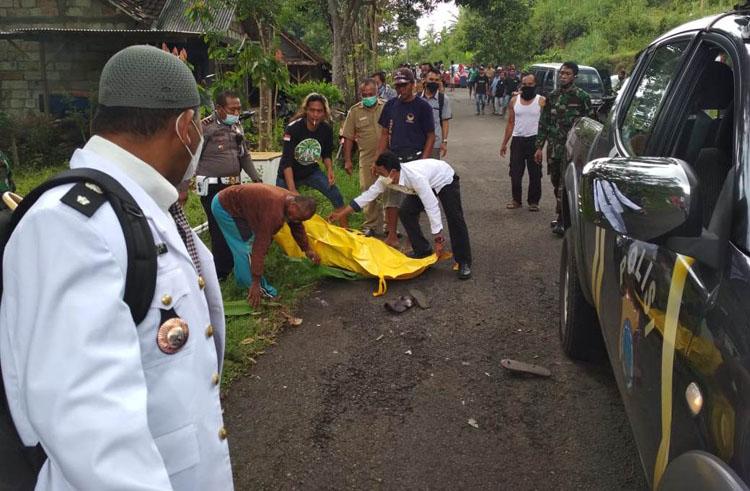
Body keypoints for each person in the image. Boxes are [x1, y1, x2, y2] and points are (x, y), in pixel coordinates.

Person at [0, 45, 233, 489]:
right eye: (198, 126)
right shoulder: (70, 223)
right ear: (185, 127)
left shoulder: (142, 204)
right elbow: (90, 430)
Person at [329, 151, 472, 280]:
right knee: (406, 211)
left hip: (444, 178)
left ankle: (463, 261)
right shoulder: (385, 179)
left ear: (392, 172)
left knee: (455, 218)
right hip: (422, 185)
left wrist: (439, 239)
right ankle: (422, 250)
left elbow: (432, 206)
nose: (378, 175)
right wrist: (341, 213)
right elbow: (367, 196)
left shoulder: (415, 177)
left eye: (380, 172)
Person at [212, 184, 320, 307]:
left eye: (302, 219)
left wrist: (307, 249)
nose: (297, 220)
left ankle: (244, 283)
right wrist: (256, 281)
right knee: (245, 247)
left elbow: (297, 225)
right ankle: (256, 289)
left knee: (246, 244)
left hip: (238, 206)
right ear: (293, 206)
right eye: (299, 217)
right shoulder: (274, 212)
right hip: (225, 208)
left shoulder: (294, 203)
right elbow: (260, 245)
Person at [196, 90, 261, 281]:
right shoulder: (205, 128)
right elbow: (192, 156)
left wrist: (256, 179)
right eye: (233, 109)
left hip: (234, 187)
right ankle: (221, 273)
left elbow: (244, 155)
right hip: (213, 188)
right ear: (219, 109)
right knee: (218, 230)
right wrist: (183, 185)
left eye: (239, 108)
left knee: (241, 226)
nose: (237, 112)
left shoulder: (237, 125)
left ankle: (240, 265)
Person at [376, 67, 435, 248]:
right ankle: (392, 235)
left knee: (412, 201)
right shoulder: (391, 105)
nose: (400, 89)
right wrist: (378, 160)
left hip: (415, 158)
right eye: (398, 86)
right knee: (391, 197)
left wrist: (424, 161)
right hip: (394, 158)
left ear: (412, 85)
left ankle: (412, 238)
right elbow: (385, 134)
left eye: (404, 85)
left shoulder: (423, 106)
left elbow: (431, 136)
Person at [535, 61, 592, 236]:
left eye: (567, 74)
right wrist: (539, 147)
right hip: (554, 149)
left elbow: (589, 124)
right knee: (555, 182)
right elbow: (544, 123)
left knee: (564, 185)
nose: (563, 76)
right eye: (561, 73)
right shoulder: (552, 96)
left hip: (572, 150)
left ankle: (562, 220)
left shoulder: (582, 97)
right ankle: (563, 215)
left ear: (575, 76)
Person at [277, 92, 348, 227]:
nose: (315, 114)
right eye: (312, 110)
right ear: (306, 110)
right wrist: (292, 189)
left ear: (324, 112)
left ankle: (346, 232)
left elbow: (326, 154)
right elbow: (286, 161)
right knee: (281, 208)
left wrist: (329, 170)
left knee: (336, 195)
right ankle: (282, 238)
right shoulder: (293, 128)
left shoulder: (326, 128)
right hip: (288, 174)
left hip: (311, 171)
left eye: (319, 111)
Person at [342, 78, 385, 236]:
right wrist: (347, 160)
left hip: (387, 157)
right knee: (367, 189)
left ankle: (389, 226)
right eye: (364, 94)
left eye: (371, 94)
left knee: (389, 190)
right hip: (366, 157)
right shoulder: (354, 111)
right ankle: (371, 225)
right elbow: (348, 136)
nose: (368, 97)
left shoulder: (386, 107)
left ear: (377, 92)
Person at [501, 74, 545, 211]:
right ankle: (516, 200)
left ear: (535, 85)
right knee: (515, 172)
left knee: (535, 173)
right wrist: (504, 143)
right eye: (524, 84)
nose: (526, 87)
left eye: (530, 85)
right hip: (518, 140)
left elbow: (545, 124)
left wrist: (541, 145)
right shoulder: (514, 101)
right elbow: (510, 123)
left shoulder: (541, 101)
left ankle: (533, 202)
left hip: (534, 140)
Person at [420, 67, 452, 159]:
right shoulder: (417, 98)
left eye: (436, 80)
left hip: (435, 145)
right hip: (417, 143)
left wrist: (444, 141)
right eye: (431, 79)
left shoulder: (443, 99)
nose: (434, 82)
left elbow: (445, 121)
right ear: (425, 80)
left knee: (432, 171)